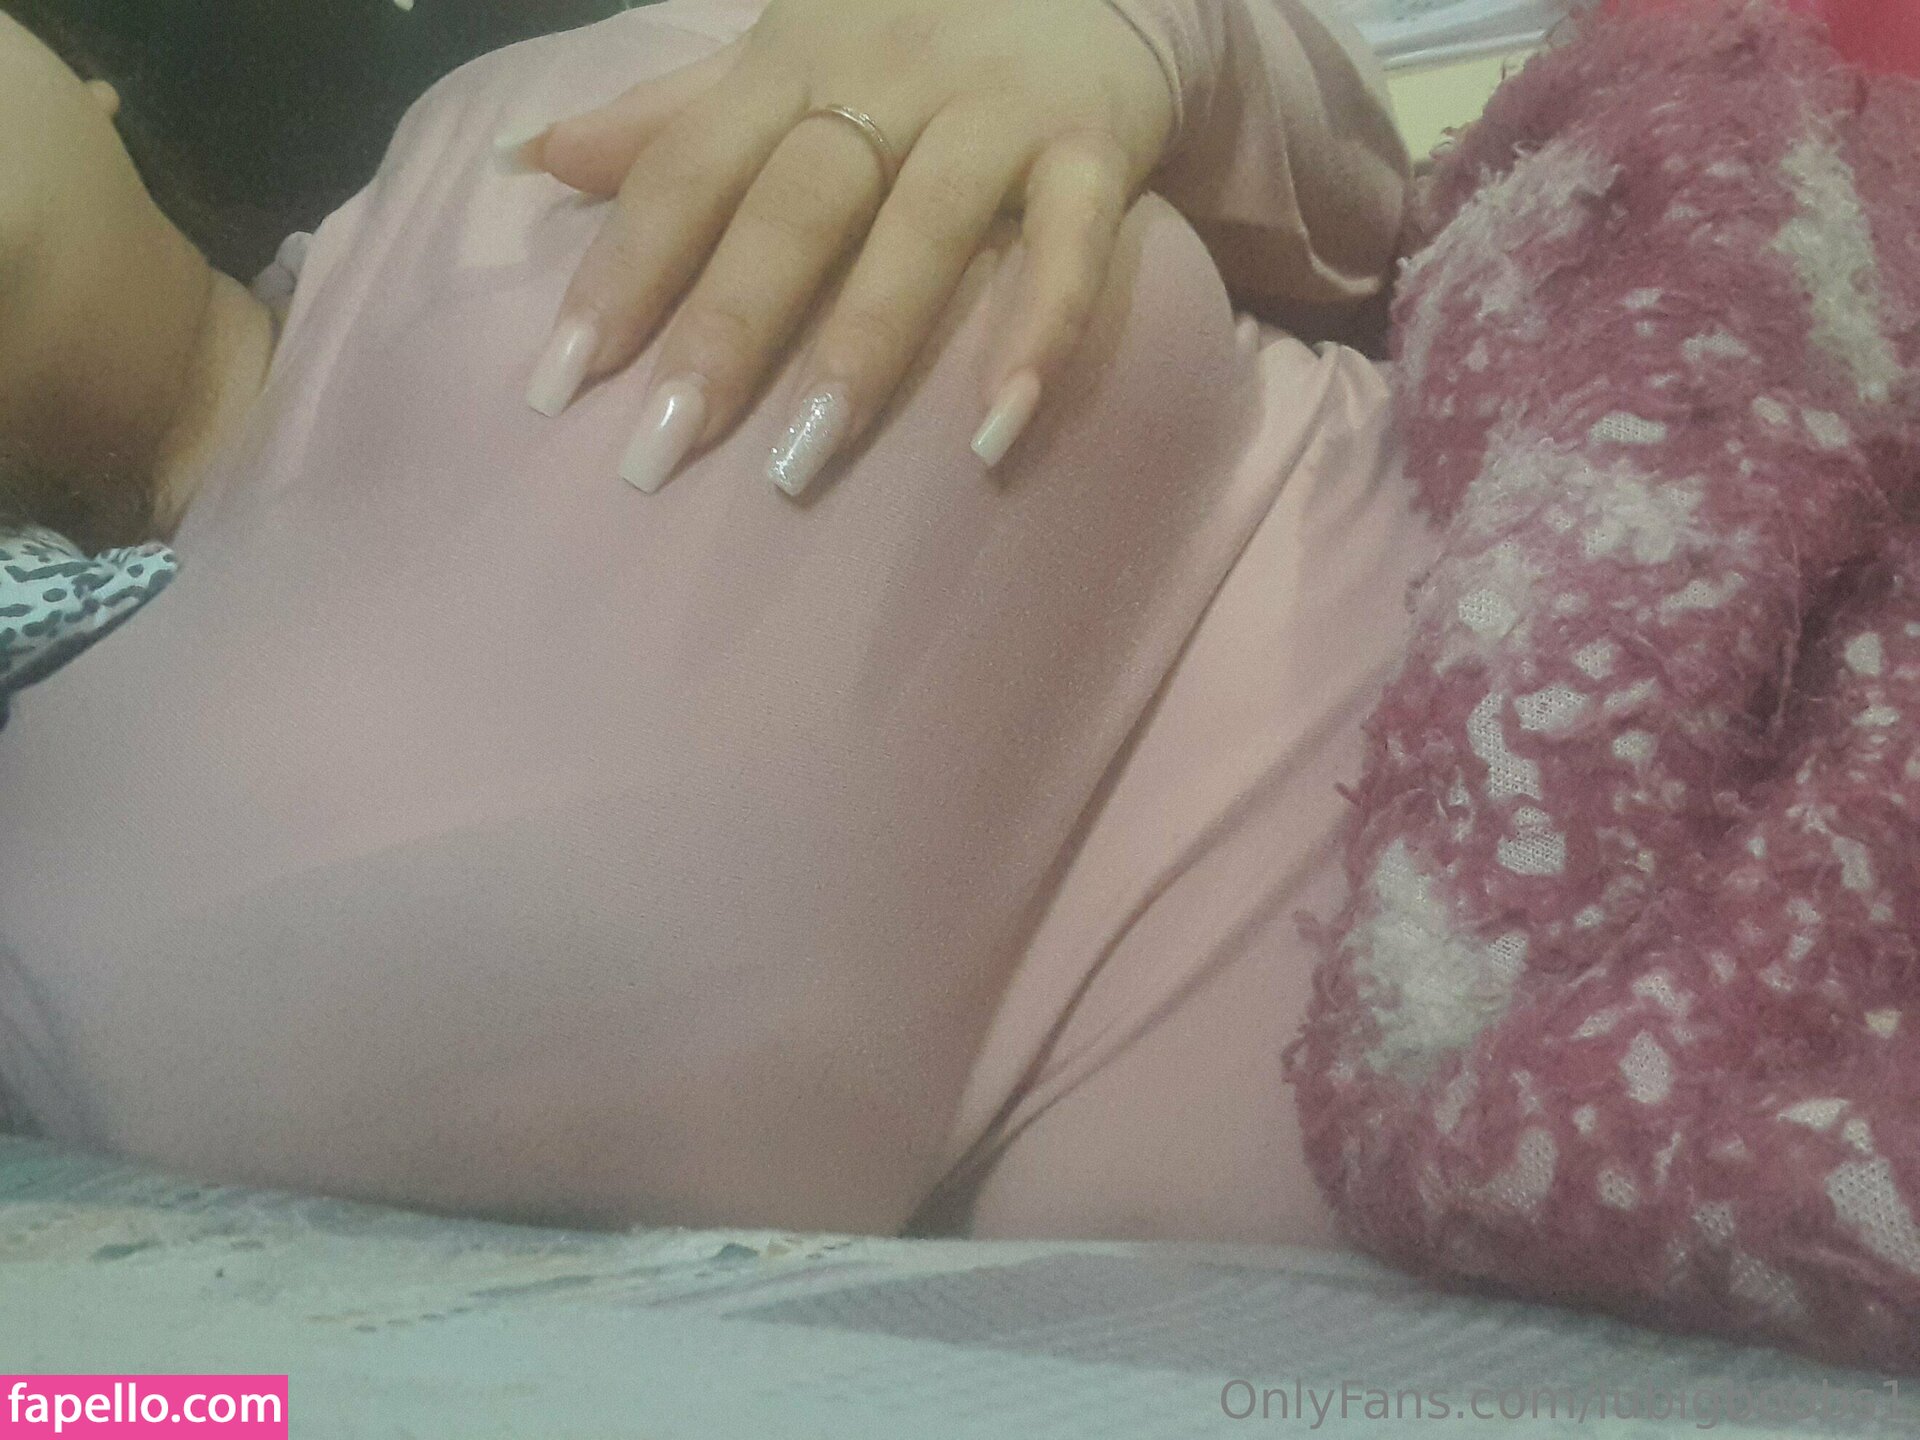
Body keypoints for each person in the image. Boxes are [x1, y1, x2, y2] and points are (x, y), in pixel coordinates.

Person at [0, 0, 1431, 1244]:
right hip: (1451, 1222)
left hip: (1535, 567)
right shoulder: (35, 911)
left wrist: (1139, 38)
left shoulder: (536, 123)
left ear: (80, 73)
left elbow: (1385, 224)